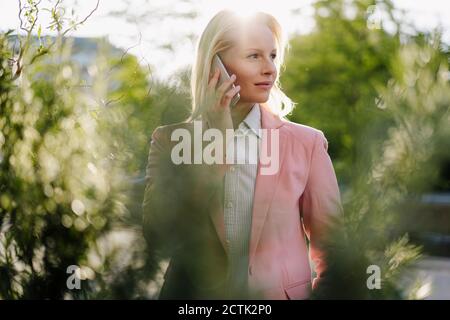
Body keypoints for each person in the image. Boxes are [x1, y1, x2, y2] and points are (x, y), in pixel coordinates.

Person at [142, 9, 343, 300]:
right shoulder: (171, 142)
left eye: (273, 56)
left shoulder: (306, 144)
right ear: (215, 65)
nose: (270, 69)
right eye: (254, 56)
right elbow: (158, 236)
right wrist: (217, 148)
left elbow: (334, 252)